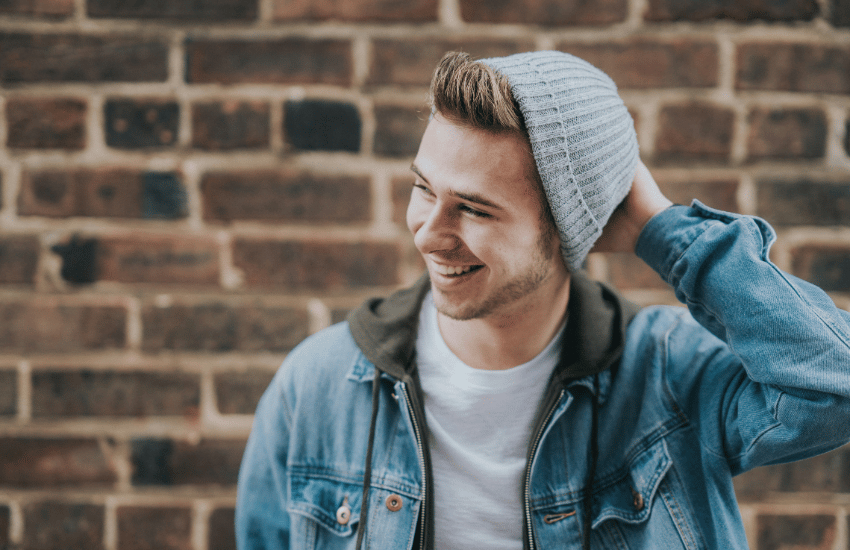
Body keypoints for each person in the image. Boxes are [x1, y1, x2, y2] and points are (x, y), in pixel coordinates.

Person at [235, 50, 850, 550]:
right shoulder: (316, 386)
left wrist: (660, 228)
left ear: (562, 231)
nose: (427, 232)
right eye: (424, 189)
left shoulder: (669, 378)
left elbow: (833, 384)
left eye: (474, 208)